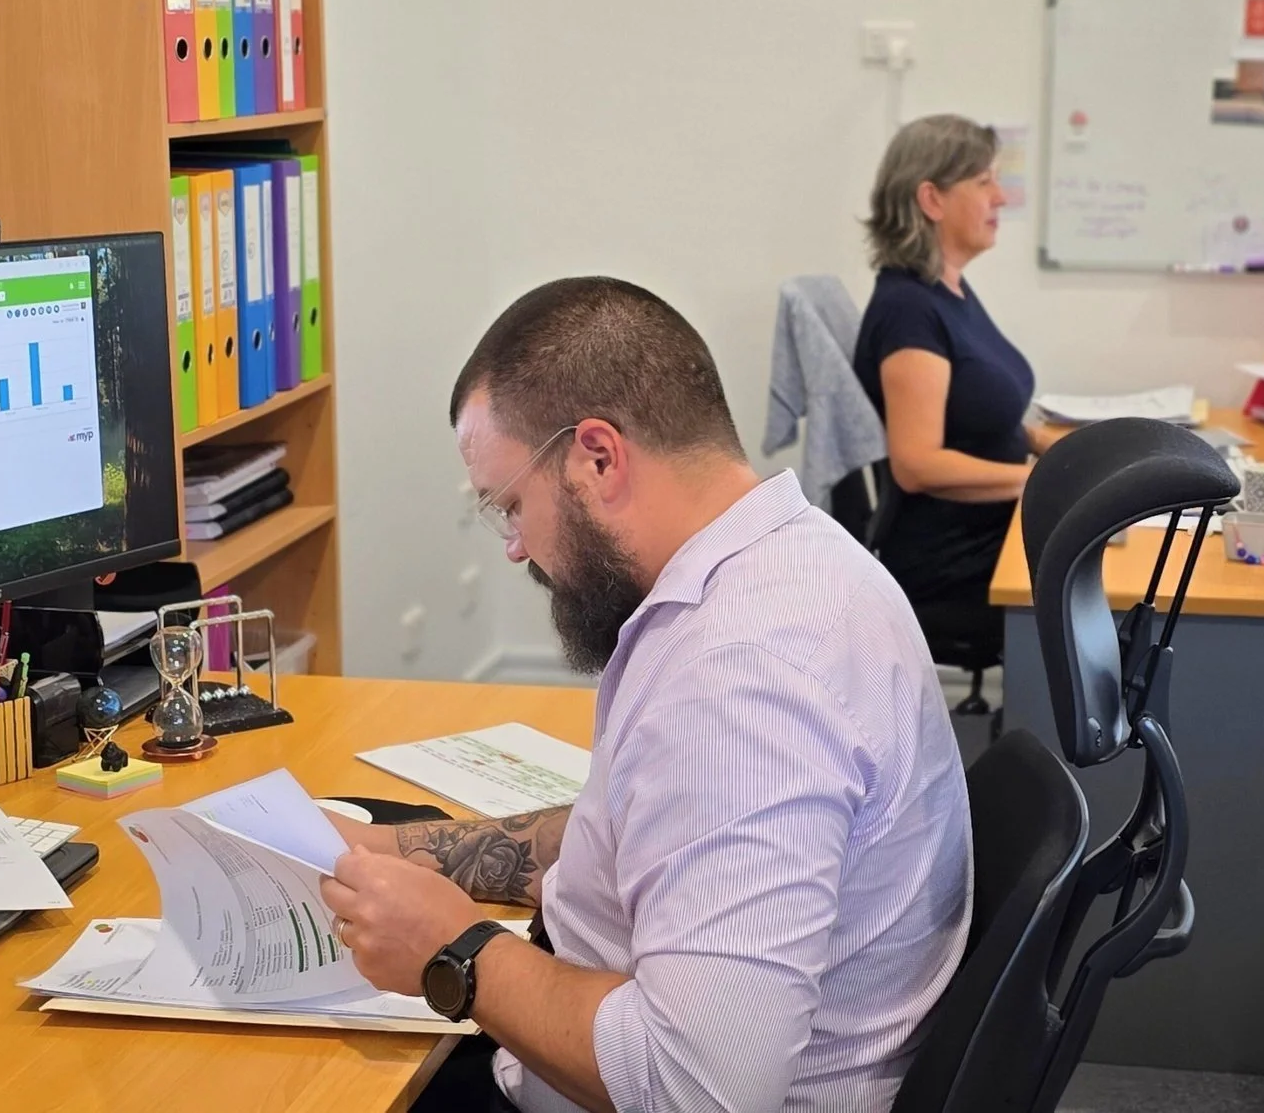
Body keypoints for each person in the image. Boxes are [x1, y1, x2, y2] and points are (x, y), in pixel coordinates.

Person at [320, 277, 973, 1113]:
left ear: (598, 456)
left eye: (512, 504)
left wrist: (455, 951)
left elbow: (698, 1090)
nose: (515, 548)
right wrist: (394, 854)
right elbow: (642, 834)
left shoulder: (739, 681)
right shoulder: (794, 559)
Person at [853, 114, 1065, 699]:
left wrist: (1050, 443)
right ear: (932, 199)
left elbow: (979, 408)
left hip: (992, 531)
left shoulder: (949, 291)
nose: (1000, 197)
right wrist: (1037, 478)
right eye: (983, 182)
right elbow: (917, 463)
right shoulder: (908, 311)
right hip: (950, 564)